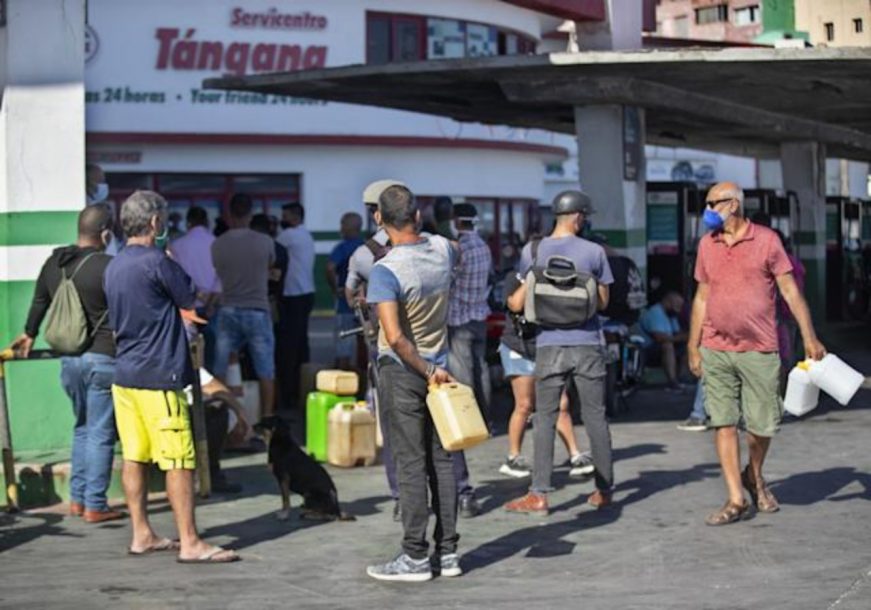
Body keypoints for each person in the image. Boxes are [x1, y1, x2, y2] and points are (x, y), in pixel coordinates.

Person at [105, 190, 238, 562]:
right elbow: (190, 298)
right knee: (179, 459)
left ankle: (141, 534)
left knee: (134, 456)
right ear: (155, 222)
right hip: (160, 374)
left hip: (125, 375)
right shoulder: (157, 262)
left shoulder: (114, 264)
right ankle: (190, 542)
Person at [688, 182, 825, 526]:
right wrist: (693, 345)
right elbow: (701, 297)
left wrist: (809, 337)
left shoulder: (766, 241)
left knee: (762, 426)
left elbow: (790, 292)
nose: (707, 210)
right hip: (716, 347)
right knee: (723, 422)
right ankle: (735, 498)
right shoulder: (707, 244)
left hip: (759, 349)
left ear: (733, 205)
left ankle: (754, 473)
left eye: (712, 203)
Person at [366, 184, 461, 582]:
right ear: (418, 216)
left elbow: (395, 337)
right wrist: (434, 368)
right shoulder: (444, 249)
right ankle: (449, 553)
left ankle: (415, 557)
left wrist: (423, 369)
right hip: (440, 366)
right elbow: (454, 254)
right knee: (442, 461)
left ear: (378, 219)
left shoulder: (385, 270)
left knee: (410, 462)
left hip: (405, 372)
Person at [504, 190, 615, 516]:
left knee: (545, 418)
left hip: (548, 344)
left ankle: (539, 494)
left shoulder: (533, 251)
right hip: (588, 343)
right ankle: (603, 490)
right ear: (578, 217)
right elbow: (604, 302)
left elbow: (519, 301)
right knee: (595, 417)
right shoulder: (594, 252)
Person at [13, 205, 123, 522]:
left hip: (69, 360)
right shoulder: (109, 267)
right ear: (105, 233)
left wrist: (29, 333)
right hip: (103, 358)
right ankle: (95, 504)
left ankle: (77, 500)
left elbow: (40, 301)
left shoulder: (55, 262)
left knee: (82, 428)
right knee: (100, 432)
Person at [498, 272, 592, 479]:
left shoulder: (556, 278)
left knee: (561, 403)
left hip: (547, 347)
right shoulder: (515, 278)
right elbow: (515, 305)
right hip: (519, 347)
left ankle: (575, 455)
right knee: (524, 405)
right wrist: (531, 278)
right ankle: (513, 457)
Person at [211, 194, 277, 420]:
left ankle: (221, 416)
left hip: (228, 308)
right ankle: (267, 418)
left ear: (229, 214)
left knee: (220, 367)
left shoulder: (218, 244)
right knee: (265, 369)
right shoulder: (265, 242)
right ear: (251, 213)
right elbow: (270, 264)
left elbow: (218, 271)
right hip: (258, 309)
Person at [169, 207, 220, 368]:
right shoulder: (216, 243)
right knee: (212, 354)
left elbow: (177, 277)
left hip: (187, 306)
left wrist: (196, 293)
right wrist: (210, 301)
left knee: (188, 354)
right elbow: (221, 277)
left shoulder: (177, 245)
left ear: (188, 223)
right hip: (213, 305)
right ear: (206, 222)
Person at [276, 202, 316, 409]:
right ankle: (303, 387)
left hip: (292, 294)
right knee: (301, 343)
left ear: (295, 217)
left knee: (288, 347)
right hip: (306, 292)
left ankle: (289, 391)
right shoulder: (306, 234)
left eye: (285, 216)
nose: (282, 220)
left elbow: (270, 248)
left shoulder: (289, 235)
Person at [327, 212, 364, 370]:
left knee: (343, 344)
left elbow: (330, 268)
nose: (340, 228)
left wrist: (335, 289)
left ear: (350, 227)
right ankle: (363, 378)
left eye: (343, 224)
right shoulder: (366, 247)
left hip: (345, 304)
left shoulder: (342, 248)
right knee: (364, 345)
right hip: (365, 304)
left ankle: (342, 377)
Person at [638, 291, 688, 391]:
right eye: (676, 305)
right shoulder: (656, 312)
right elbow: (659, 337)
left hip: (663, 346)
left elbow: (677, 333)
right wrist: (681, 337)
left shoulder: (671, 315)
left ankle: (682, 378)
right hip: (647, 349)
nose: (678, 309)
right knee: (667, 345)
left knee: (688, 346)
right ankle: (672, 381)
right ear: (667, 302)